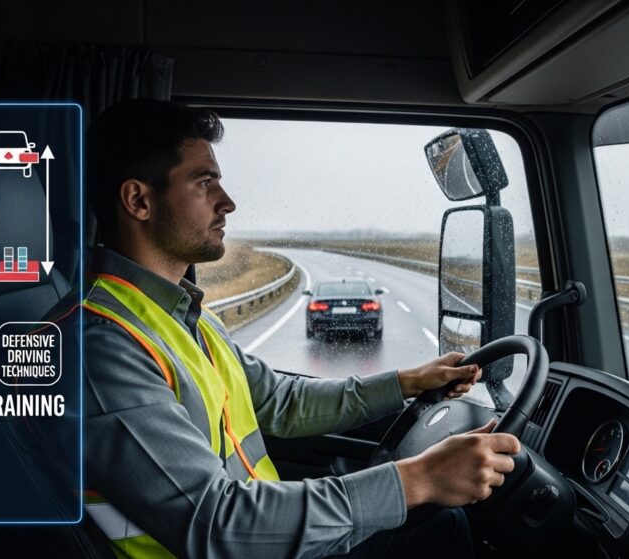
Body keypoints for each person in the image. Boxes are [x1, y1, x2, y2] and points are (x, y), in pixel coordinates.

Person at [55, 98, 521, 559]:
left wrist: (407, 383)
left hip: (263, 544)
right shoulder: (100, 345)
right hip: (239, 545)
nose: (228, 202)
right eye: (204, 183)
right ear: (139, 200)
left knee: (439, 526)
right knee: (442, 531)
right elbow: (217, 523)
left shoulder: (184, 316)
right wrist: (418, 480)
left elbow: (281, 401)